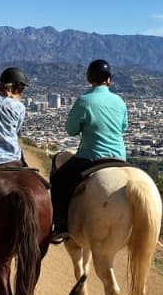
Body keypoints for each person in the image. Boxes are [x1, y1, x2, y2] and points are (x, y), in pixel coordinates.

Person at [50, 59, 128, 239]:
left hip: (91, 157)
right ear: (109, 79)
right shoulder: (120, 101)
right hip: (119, 158)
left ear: (89, 79)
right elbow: (123, 128)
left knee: (59, 180)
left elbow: (71, 131)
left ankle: (60, 224)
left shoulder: (84, 101)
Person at [0, 67, 29, 168]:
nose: (21, 92)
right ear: (14, 87)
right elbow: (16, 131)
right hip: (11, 157)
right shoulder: (19, 107)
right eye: (21, 89)